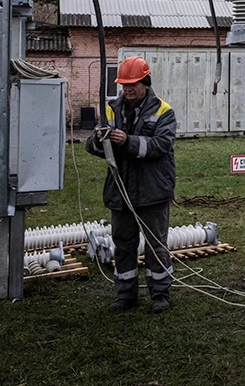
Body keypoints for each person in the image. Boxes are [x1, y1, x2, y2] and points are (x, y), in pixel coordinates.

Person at [86, 56, 178, 313]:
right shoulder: (110, 110)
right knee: (123, 243)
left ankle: (160, 294)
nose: (127, 89)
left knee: (155, 243)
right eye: (124, 84)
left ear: (145, 82)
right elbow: (91, 146)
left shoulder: (163, 111)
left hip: (152, 191)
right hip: (121, 190)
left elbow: (161, 146)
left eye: (133, 84)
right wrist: (99, 141)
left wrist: (128, 141)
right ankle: (125, 295)